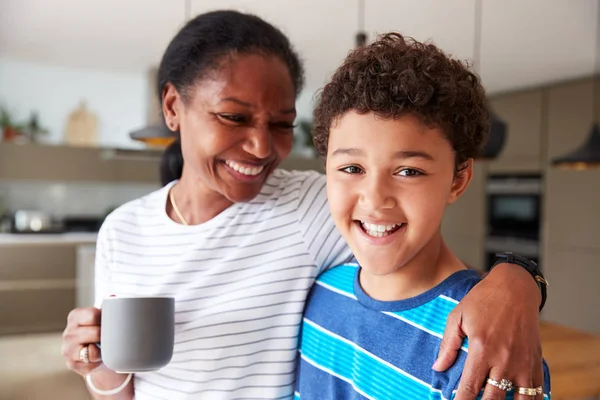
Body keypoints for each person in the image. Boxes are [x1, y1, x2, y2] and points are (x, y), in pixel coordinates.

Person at [61, 10, 547, 400]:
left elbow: (407, 239)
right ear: (172, 107)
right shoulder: (121, 231)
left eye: (280, 125)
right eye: (233, 117)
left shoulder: (309, 205)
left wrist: (519, 279)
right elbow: (118, 387)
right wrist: (100, 366)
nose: (259, 147)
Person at [294, 33, 551, 400]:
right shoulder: (321, 292)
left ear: (457, 179)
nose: (375, 198)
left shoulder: (485, 345)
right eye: (351, 168)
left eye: (408, 171)